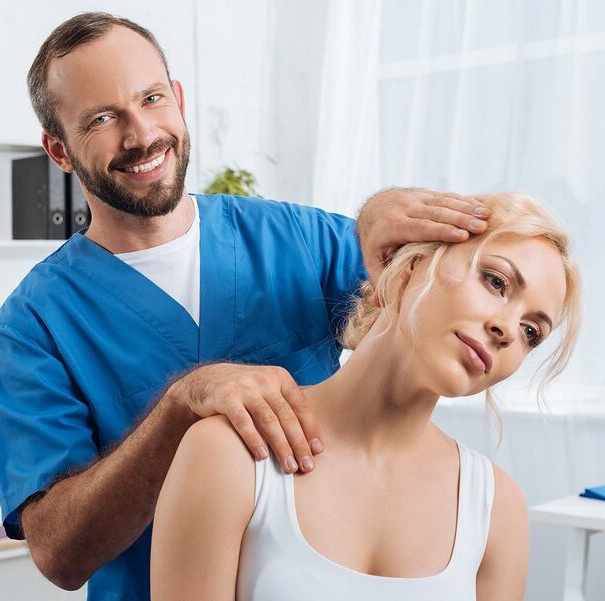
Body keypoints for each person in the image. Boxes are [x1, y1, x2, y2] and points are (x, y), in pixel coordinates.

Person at [0, 11, 493, 601]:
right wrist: (179, 407)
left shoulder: (303, 243)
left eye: (151, 99)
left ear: (177, 98)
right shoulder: (34, 325)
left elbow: (436, 307)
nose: (142, 134)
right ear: (60, 150)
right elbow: (60, 555)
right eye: (101, 119)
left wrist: (385, 226)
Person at [151, 192, 582, 600]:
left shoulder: (495, 508)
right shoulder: (230, 453)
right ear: (411, 265)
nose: (507, 330)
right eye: (495, 281)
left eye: (532, 332)